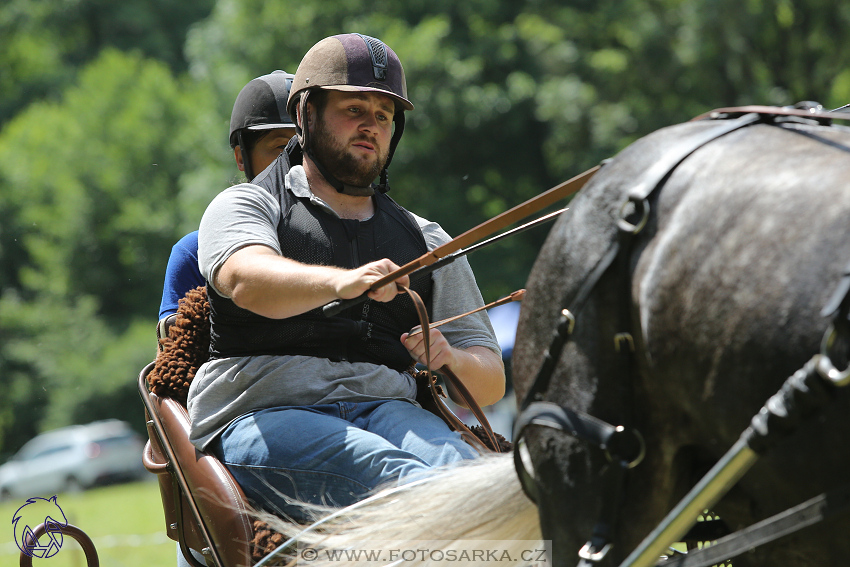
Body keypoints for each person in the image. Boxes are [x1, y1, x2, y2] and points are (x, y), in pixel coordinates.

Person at [189, 33, 505, 521]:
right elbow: (247, 279)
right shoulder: (246, 204)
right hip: (263, 414)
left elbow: (490, 383)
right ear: (306, 115)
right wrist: (344, 282)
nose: (370, 125)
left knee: (483, 487)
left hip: (387, 409)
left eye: (382, 115)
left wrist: (452, 358)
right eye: (354, 108)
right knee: (406, 483)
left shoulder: (426, 239)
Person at [157, 70, 297, 336]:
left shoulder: (362, 235)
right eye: (281, 148)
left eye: (306, 147)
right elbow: (177, 362)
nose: (296, 160)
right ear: (242, 157)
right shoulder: (195, 253)